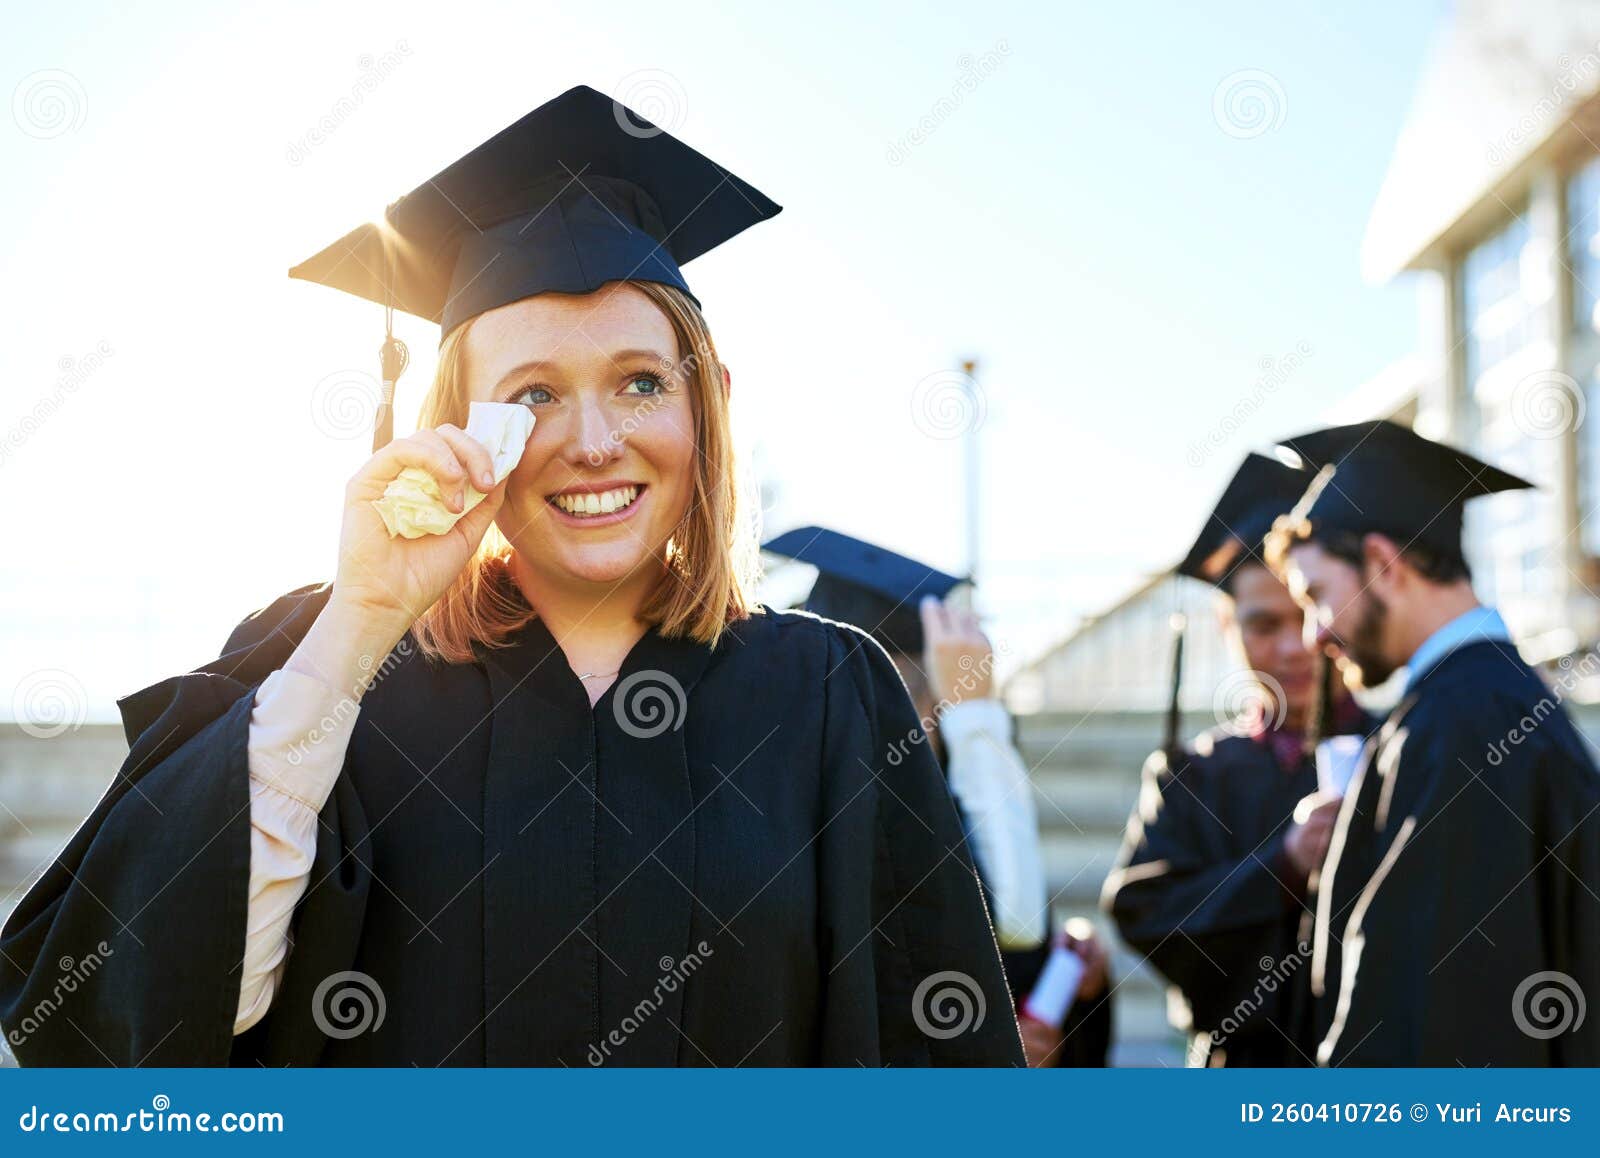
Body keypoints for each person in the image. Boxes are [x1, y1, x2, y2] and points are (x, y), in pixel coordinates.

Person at [0, 86, 1023, 1068]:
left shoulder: (826, 698)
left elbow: (931, 1064)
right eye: (532, 395)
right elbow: (124, 1028)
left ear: (706, 403)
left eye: (639, 382)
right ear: (460, 425)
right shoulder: (327, 661)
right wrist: (358, 623)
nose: (593, 441)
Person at [1267, 419, 1600, 1066]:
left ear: (1383, 563)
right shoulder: (1499, 703)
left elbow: (1433, 1021)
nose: (1312, 637)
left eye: (1317, 596)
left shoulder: (1462, 723)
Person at [762, 526, 1111, 1066]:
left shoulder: (952, 801)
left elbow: (1020, 945)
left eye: (917, 700)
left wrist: (1075, 983)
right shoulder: (793, 813)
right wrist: (978, 721)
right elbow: (1012, 919)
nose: (893, 722)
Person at [1103, 453, 1369, 1067]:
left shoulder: (1408, 746)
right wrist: (1284, 866)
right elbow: (1148, 915)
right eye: (1262, 623)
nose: (1294, 646)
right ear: (1227, 627)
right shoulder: (1193, 773)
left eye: (1308, 614)